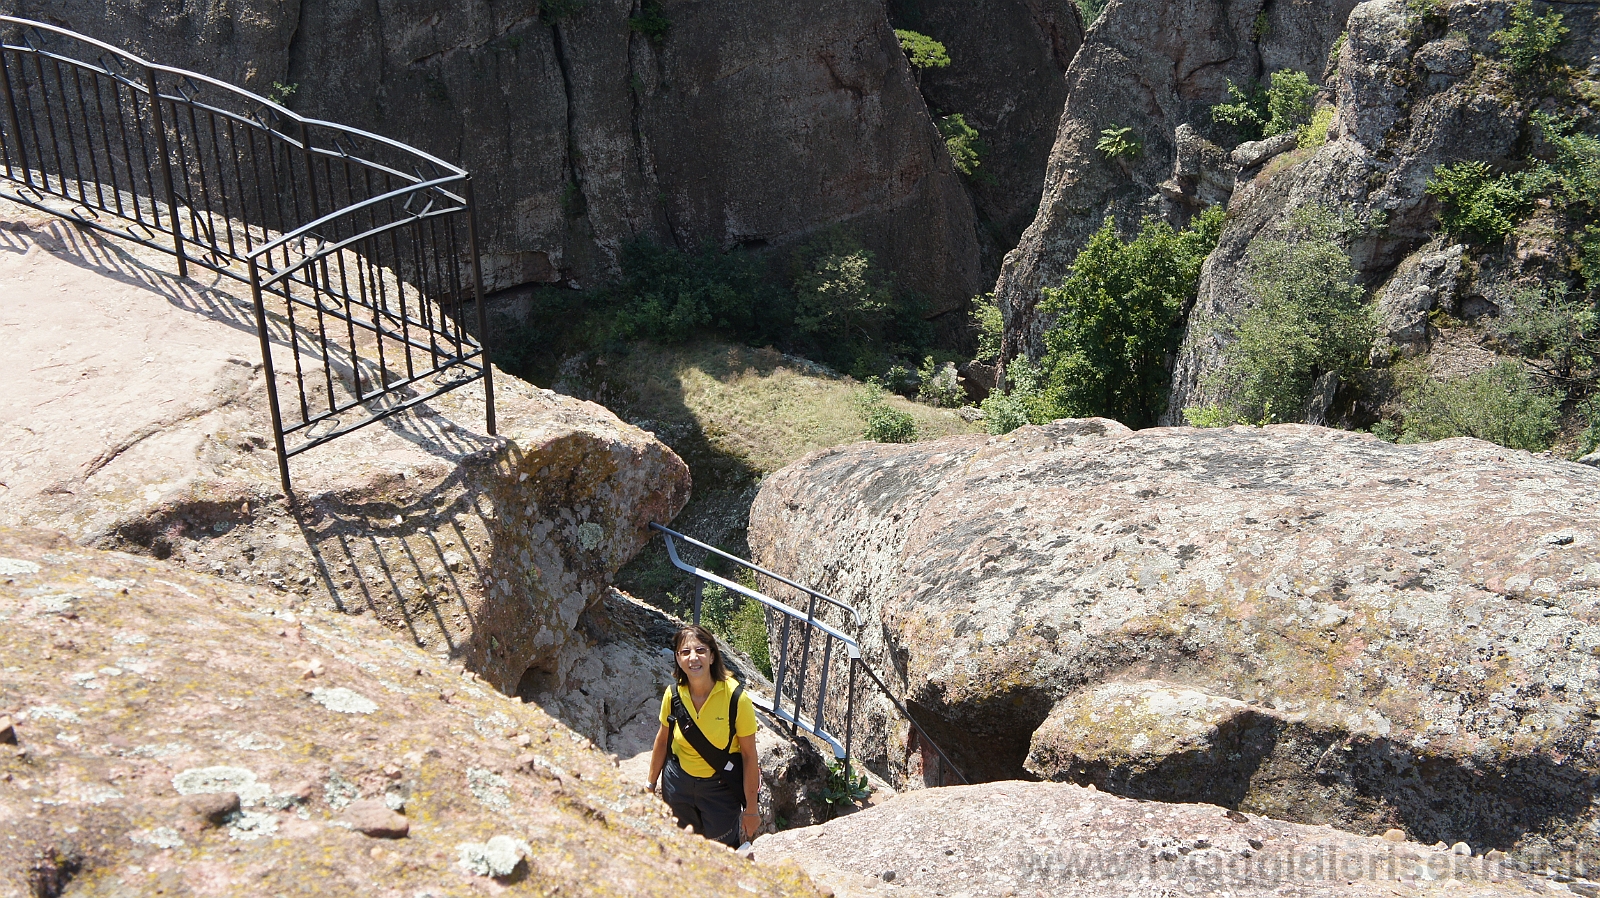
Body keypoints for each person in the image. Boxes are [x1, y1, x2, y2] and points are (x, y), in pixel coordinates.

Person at [646, 624, 760, 847]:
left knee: (722, 851)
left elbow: (749, 756)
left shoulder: (736, 699)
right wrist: (650, 785)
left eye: (700, 650)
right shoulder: (673, 695)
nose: (693, 658)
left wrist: (752, 810)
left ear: (712, 656)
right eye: (685, 652)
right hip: (677, 785)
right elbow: (662, 741)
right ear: (678, 659)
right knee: (682, 848)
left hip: (719, 790)